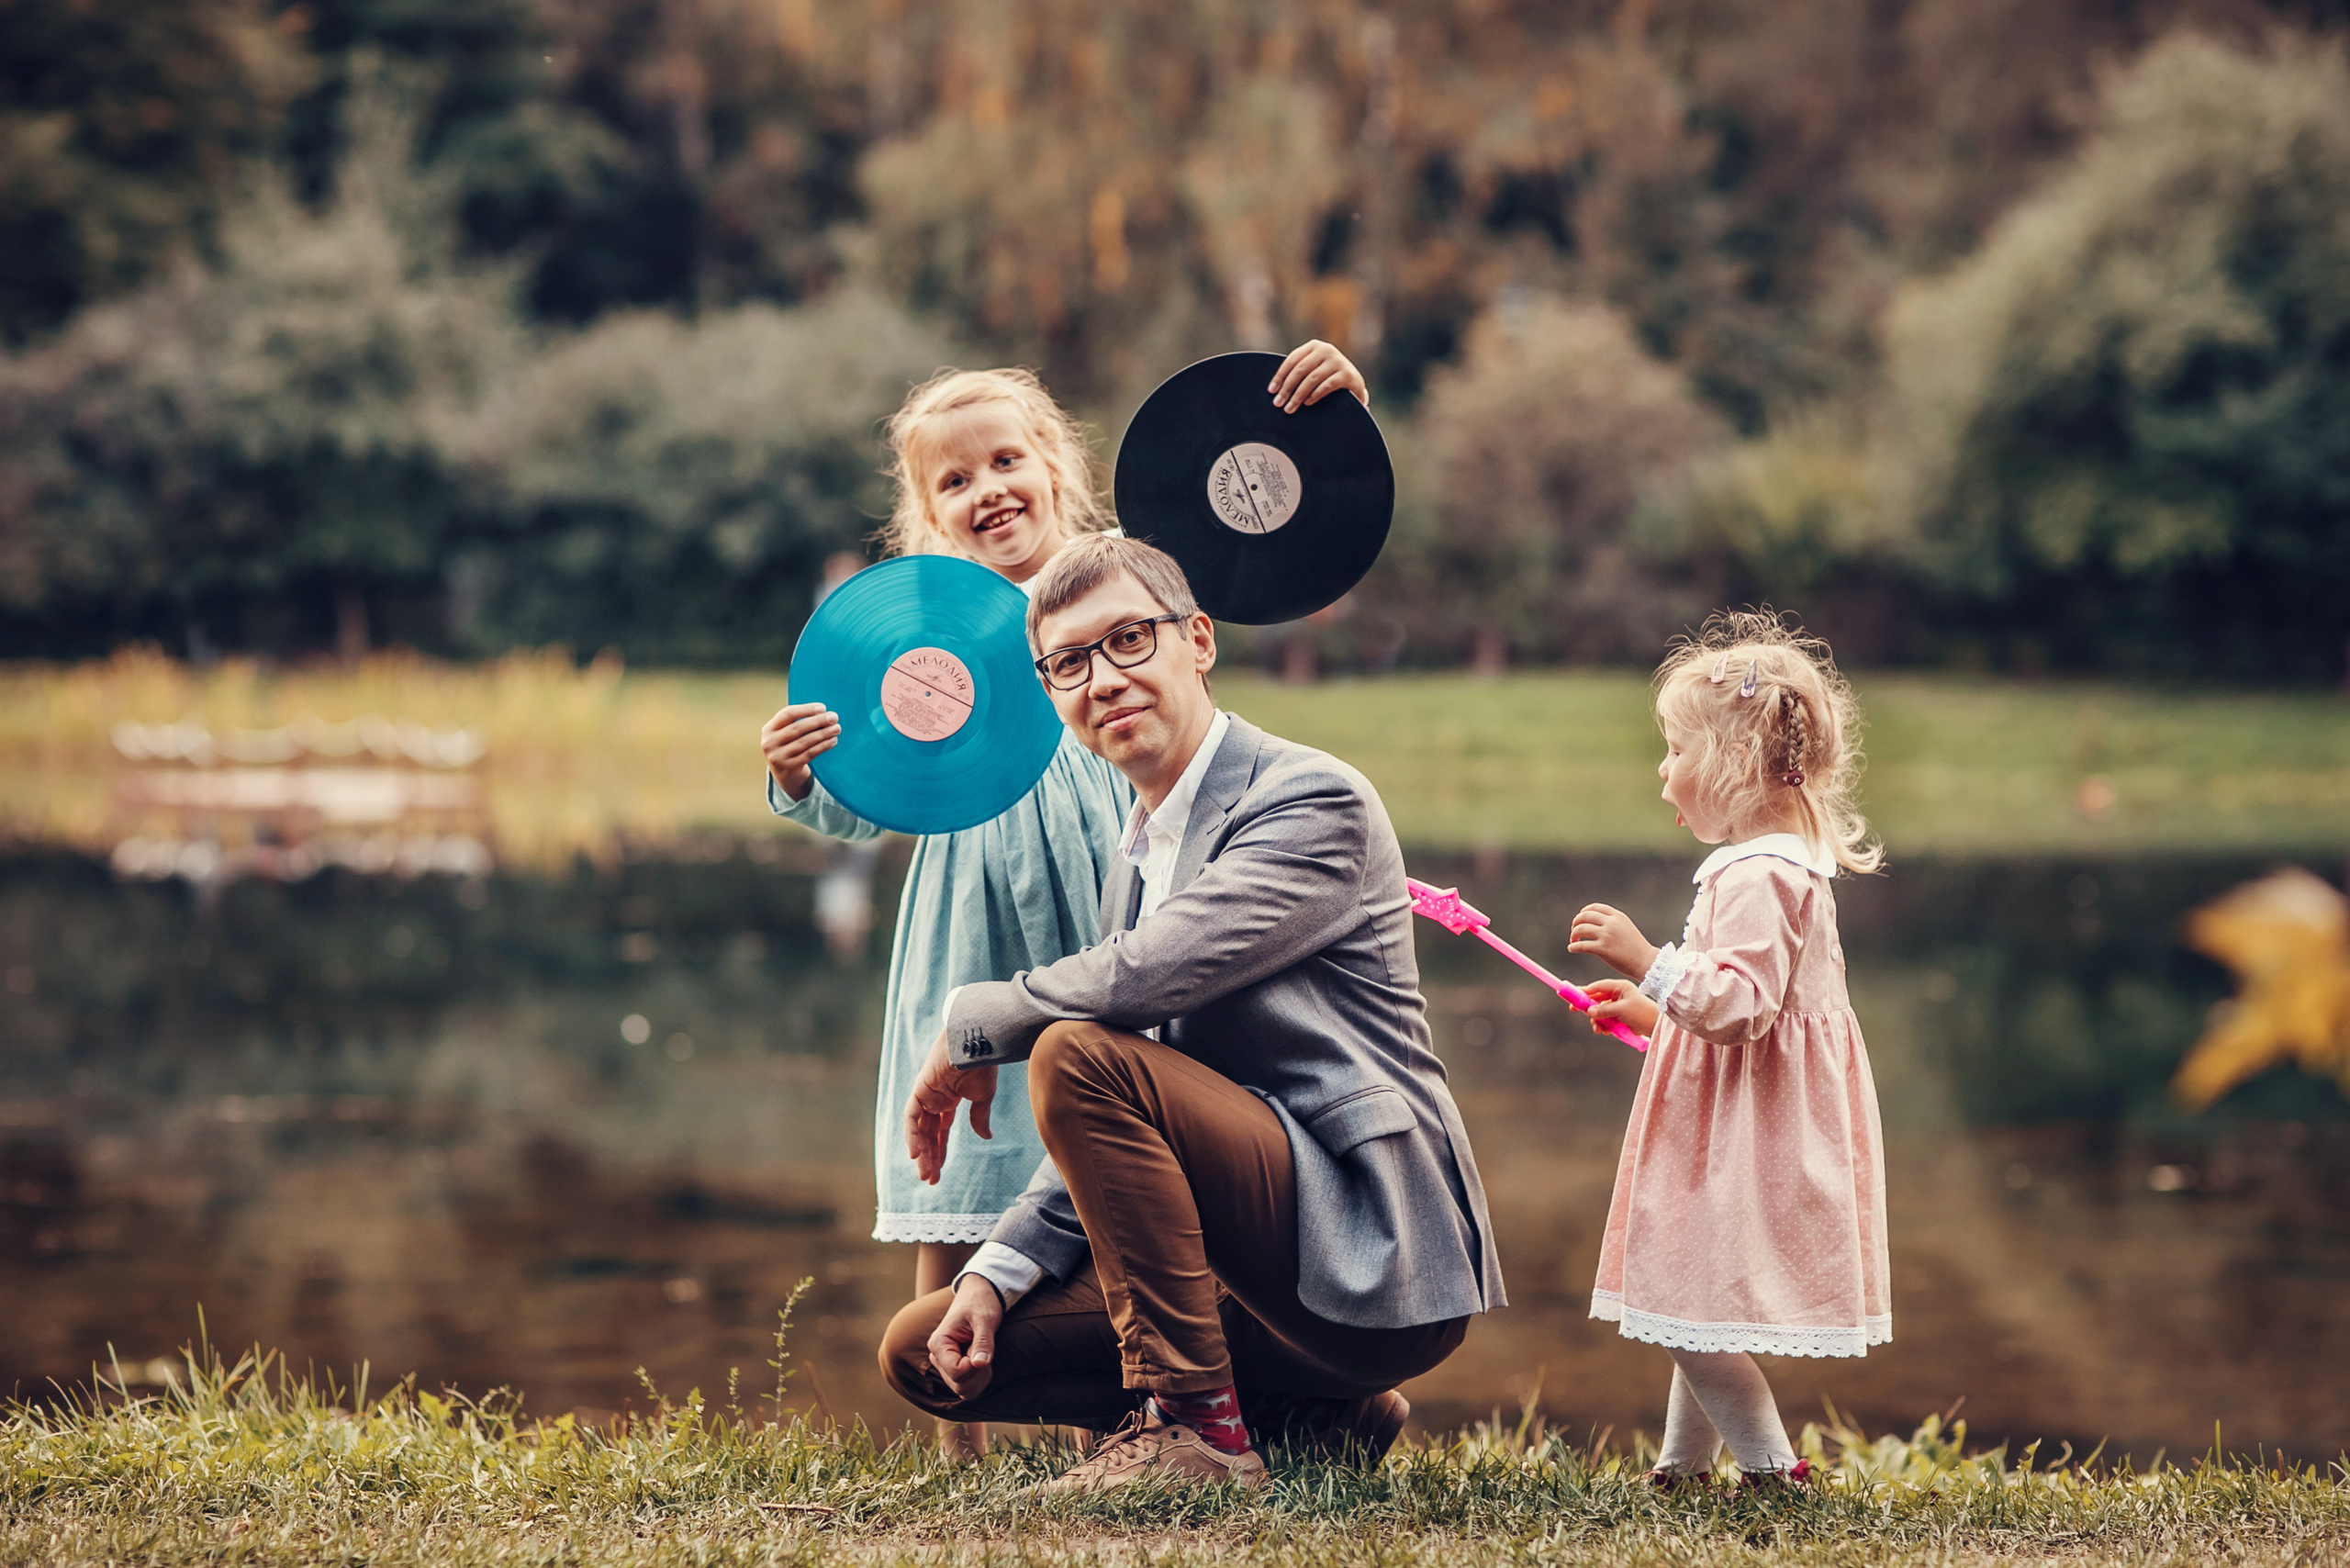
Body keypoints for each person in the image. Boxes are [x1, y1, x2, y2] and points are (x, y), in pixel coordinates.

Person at [758, 344, 1368, 1456]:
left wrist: (1323, 421)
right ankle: (957, 1437)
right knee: (954, 1174)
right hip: (970, 920)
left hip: (1111, 903)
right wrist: (804, 776)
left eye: (1006, 459)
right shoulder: (923, 631)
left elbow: (1251, 525)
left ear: (1055, 466)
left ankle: (1135, 1416)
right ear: (926, 510)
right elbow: (871, 795)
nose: (986, 489)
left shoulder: (1122, 576)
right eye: (954, 479)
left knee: (1107, 1151)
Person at [877, 533, 1505, 1492]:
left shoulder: (1309, 797)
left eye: (1130, 638)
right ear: (1052, 693)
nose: (1104, 678)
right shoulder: (1137, 857)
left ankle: (1196, 1430)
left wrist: (977, 1024)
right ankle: (1313, 1413)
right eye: (1070, 662)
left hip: (1371, 1253)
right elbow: (1119, 1123)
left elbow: (1139, 986)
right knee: (925, 1348)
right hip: (1258, 1279)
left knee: (1073, 1054)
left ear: (1198, 641)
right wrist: (993, 1274)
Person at [1565, 610, 1890, 1486]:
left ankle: (1771, 1471)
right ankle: (1680, 1471)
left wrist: (1647, 959)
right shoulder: (1770, 868)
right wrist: (1647, 1008)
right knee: (1694, 1303)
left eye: (1673, 751)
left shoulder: (1760, 876)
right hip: (1742, 1114)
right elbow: (1734, 1006)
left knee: (1680, 1307)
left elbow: (1741, 1008)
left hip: (1747, 1136)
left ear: (1730, 767)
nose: (1663, 771)